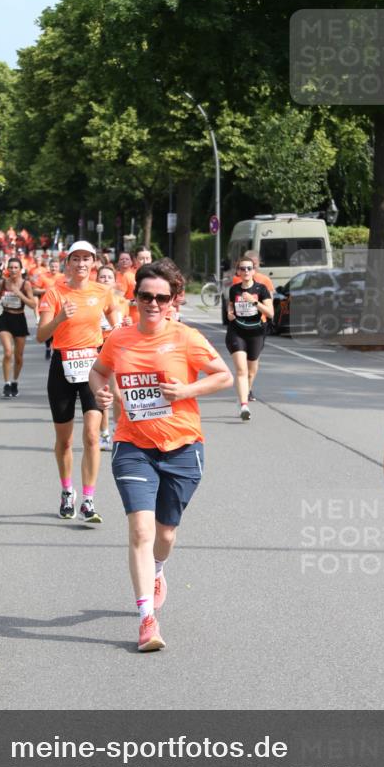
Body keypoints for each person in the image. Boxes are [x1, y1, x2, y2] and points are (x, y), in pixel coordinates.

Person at [89, 260, 233, 652]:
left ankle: (157, 569)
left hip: (182, 446)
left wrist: (187, 391)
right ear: (134, 297)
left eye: (161, 298)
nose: (153, 303)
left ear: (173, 301)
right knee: (141, 531)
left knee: (165, 534)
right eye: (146, 296)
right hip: (133, 445)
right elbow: (99, 372)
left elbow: (224, 375)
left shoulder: (186, 337)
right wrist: (101, 393)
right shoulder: (119, 338)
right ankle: (146, 620)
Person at [37, 241, 121, 524]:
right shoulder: (54, 293)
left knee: (92, 435)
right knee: (65, 440)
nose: (81, 264)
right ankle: (66, 492)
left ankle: (88, 499)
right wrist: (60, 318)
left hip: (92, 368)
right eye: (76, 259)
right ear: (68, 263)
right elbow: (41, 335)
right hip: (62, 367)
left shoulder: (102, 292)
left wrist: (118, 328)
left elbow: (115, 321)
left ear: (93, 263)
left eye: (87, 259)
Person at [226, 258, 274, 420]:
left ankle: (244, 393)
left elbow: (270, 313)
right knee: (241, 370)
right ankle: (244, 406)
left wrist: (254, 302)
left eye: (249, 268)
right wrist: (229, 313)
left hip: (256, 332)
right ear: (238, 272)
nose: (246, 271)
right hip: (236, 331)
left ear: (253, 271)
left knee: (251, 372)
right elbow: (231, 305)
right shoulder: (234, 289)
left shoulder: (261, 289)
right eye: (242, 268)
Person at [96, 264, 130, 451]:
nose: (105, 280)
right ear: (97, 280)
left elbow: (127, 326)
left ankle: (118, 431)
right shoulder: (91, 299)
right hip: (96, 346)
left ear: (114, 281)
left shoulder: (122, 301)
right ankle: (104, 434)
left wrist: (128, 323)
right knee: (103, 393)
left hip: (115, 347)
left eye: (109, 277)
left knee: (117, 394)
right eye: (102, 277)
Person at [0, 256, 35, 398]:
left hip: (19, 319)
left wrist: (19, 293)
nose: (13, 270)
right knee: (8, 352)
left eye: (16, 267)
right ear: (7, 269)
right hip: (5, 318)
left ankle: (15, 381)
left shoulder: (26, 284)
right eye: (10, 267)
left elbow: (33, 304)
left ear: (21, 269)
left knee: (18, 357)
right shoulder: (3, 283)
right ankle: (6, 384)